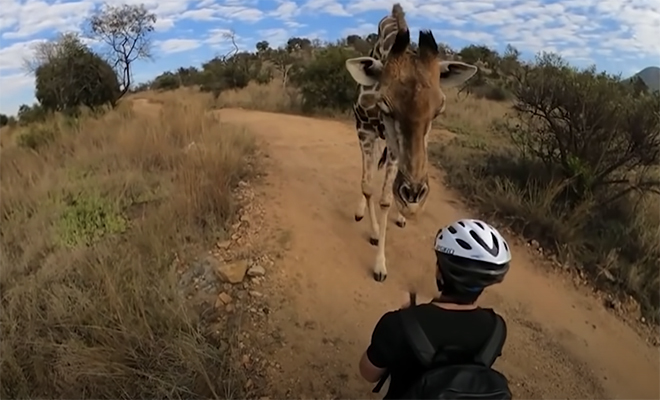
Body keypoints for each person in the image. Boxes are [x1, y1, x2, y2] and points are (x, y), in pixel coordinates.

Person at [358, 218, 512, 399]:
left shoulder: (398, 324)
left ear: (439, 271)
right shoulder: (496, 328)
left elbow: (368, 373)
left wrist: (408, 317)